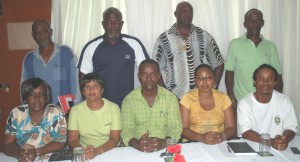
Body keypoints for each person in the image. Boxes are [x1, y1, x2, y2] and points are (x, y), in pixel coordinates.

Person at [77, 7, 149, 107]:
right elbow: (83, 78)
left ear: (122, 24)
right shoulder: (91, 47)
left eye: (116, 22)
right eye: (109, 22)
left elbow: (147, 72)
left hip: (129, 104)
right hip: (100, 105)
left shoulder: (133, 44)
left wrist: (146, 97)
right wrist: (88, 102)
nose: (113, 25)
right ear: (103, 24)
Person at [153, 1, 224, 99]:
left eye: (190, 11)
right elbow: (155, 69)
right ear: (175, 14)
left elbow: (219, 62)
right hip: (174, 96)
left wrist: (214, 86)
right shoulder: (164, 39)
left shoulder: (203, 36)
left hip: (200, 96)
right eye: (183, 11)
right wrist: (167, 94)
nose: (187, 14)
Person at [224, 9, 283, 109]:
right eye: (250, 21)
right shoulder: (235, 44)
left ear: (262, 23)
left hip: (266, 101)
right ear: (245, 24)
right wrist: (231, 96)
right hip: (242, 101)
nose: (254, 24)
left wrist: (277, 98)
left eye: (257, 21)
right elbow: (229, 73)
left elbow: (278, 76)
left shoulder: (270, 47)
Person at [121, 59, 182, 152]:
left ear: (158, 76)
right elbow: (127, 130)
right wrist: (137, 144)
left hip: (165, 148)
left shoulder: (170, 98)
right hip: (137, 149)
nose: (149, 78)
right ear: (139, 76)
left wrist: (164, 143)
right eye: (144, 74)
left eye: (153, 74)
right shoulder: (129, 100)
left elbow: (176, 129)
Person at [3, 78, 67, 162]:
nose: (37, 98)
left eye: (42, 94)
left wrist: (36, 151)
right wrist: (19, 154)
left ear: (46, 97)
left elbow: (61, 143)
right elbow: (7, 144)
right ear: (25, 96)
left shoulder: (55, 112)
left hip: (51, 157)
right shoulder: (16, 114)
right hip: (23, 157)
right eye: (32, 94)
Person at [238, 64, 297, 151]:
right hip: (252, 147)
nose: (265, 82)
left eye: (269, 79)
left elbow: (291, 127)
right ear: (254, 82)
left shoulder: (284, 100)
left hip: (278, 146)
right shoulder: (245, 103)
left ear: (275, 83)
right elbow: (246, 132)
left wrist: (284, 140)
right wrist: (270, 142)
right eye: (261, 78)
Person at [21, 19, 80, 105]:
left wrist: (74, 106)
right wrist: (26, 108)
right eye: (37, 33)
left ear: (50, 32)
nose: (41, 35)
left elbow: (76, 82)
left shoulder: (66, 53)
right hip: (39, 111)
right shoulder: (29, 59)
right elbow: (24, 88)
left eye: (44, 31)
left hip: (65, 109)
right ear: (33, 36)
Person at [68, 73, 121, 160]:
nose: (91, 90)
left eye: (95, 86)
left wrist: (97, 151)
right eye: (87, 86)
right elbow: (73, 140)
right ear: (83, 92)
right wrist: (83, 151)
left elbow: (114, 139)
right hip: (84, 151)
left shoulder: (113, 108)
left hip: (109, 151)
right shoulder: (75, 110)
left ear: (102, 90)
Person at [180, 64, 235, 144]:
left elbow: (231, 128)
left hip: (219, 142)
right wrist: (201, 138)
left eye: (208, 78)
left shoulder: (223, 98)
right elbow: (183, 129)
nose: (205, 82)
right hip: (193, 143)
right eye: (200, 78)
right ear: (195, 81)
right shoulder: (187, 98)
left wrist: (222, 136)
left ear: (214, 80)